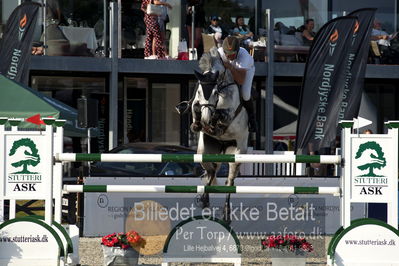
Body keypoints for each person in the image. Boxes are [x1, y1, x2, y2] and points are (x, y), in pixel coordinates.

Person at [218, 36, 257, 132]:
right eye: (226, 53)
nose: (228, 56)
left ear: (237, 51)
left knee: (245, 94)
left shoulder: (244, 57)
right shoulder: (219, 52)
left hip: (246, 71)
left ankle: (252, 119)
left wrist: (230, 67)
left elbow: (240, 80)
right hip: (228, 69)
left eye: (232, 54)